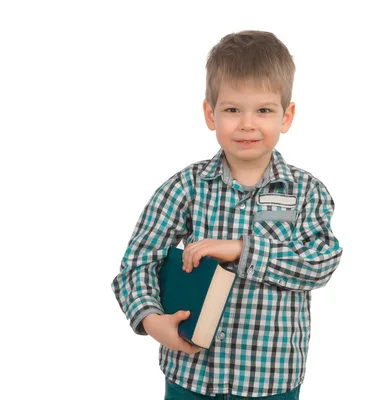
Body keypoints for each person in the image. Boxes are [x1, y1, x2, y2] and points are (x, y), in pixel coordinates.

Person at [111, 30, 343, 399]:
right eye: (233, 109)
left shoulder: (306, 192)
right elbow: (137, 263)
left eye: (264, 110)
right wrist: (153, 322)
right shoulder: (185, 186)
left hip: (272, 379)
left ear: (287, 116)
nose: (247, 123)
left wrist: (241, 249)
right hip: (191, 375)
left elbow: (321, 263)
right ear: (210, 113)